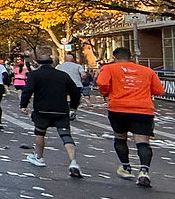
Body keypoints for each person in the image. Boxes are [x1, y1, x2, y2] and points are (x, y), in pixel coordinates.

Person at [97, 46, 164, 188]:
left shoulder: (109, 69)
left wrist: (106, 93)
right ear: (131, 57)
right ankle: (144, 171)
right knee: (143, 141)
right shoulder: (147, 71)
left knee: (120, 137)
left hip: (118, 108)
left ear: (114, 58)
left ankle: (126, 167)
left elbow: (102, 83)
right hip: (143, 109)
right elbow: (159, 90)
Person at [20, 48, 83, 177]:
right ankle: (73, 161)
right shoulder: (62, 75)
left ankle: (39, 157)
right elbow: (75, 92)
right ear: (52, 62)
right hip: (61, 109)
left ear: (38, 63)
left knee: (40, 133)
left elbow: (28, 90)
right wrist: (74, 106)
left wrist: (23, 105)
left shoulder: (34, 75)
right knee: (66, 135)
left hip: (42, 109)